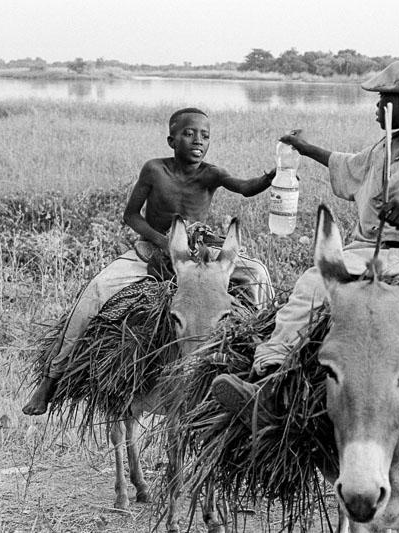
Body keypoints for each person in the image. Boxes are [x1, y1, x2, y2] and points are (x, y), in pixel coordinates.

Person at [210, 58, 399, 465]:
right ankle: (269, 378)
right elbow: (347, 166)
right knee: (311, 284)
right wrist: (305, 149)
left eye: (382, 100)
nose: (376, 108)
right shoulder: (381, 150)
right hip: (365, 253)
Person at [23, 107, 275, 416]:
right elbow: (130, 215)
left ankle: (265, 360)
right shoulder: (154, 170)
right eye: (189, 133)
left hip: (199, 253)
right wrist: (162, 242)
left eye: (205, 136)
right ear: (171, 140)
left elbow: (247, 187)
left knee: (258, 273)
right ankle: (52, 377)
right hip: (151, 249)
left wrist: (274, 175)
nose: (198, 140)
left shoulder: (213, 173)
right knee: (95, 290)